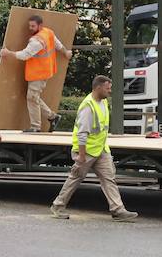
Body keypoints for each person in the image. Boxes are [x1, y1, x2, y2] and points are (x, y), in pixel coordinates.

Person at [50, 75, 137, 221]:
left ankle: (118, 210)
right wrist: (82, 156)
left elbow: (101, 129)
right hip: (87, 151)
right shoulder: (88, 106)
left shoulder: (103, 102)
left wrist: (104, 149)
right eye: (107, 88)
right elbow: (82, 134)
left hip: (101, 149)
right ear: (98, 88)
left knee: (109, 179)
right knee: (75, 178)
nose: (109, 91)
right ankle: (57, 206)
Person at [0, 14, 72, 132]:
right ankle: (52, 117)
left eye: (33, 26)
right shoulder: (48, 32)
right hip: (45, 71)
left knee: (32, 97)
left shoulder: (36, 41)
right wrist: (65, 52)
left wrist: (8, 53)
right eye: (29, 26)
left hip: (38, 74)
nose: (30, 28)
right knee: (33, 97)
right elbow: (58, 44)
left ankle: (36, 127)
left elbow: (24, 55)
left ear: (40, 25)